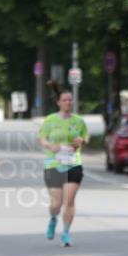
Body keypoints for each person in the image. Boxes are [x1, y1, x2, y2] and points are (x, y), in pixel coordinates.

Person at [38, 81, 88, 247]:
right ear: (58, 102)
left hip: (73, 164)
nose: (68, 103)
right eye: (65, 100)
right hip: (53, 165)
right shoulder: (50, 120)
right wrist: (50, 145)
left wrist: (82, 140)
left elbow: (85, 138)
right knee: (56, 204)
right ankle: (53, 219)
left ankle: (66, 232)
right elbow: (42, 139)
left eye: (70, 100)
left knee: (69, 201)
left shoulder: (79, 121)